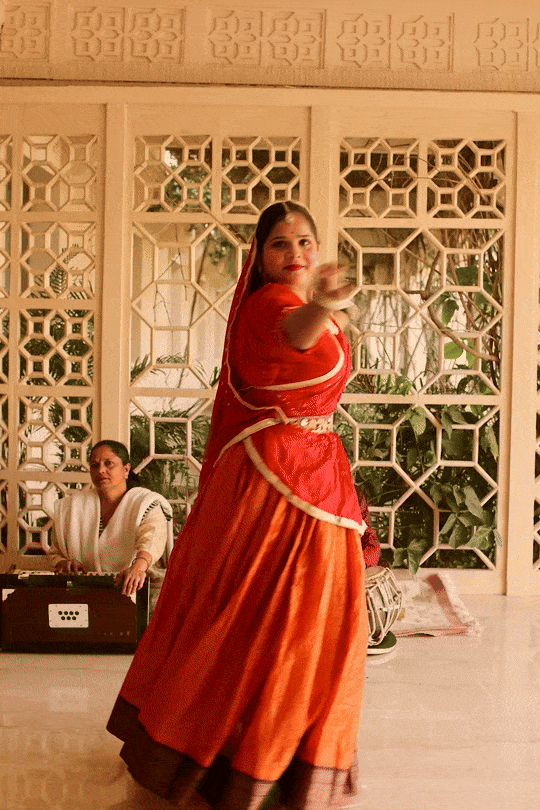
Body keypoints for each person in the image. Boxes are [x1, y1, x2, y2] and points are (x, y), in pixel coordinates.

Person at [106, 202, 380, 810]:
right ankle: (236, 759)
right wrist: (323, 304)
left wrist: (324, 303)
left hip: (311, 470)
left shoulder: (303, 302)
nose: (296, 254)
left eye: (305, 241)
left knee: (309, 624)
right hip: (272, 481)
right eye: (280, 245)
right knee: (265, 620)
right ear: (259, 256)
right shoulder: (271, 307)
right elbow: (296, 335)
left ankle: (279, 754)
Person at [48, 440, 174, 610]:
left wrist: (138, 567)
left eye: (108, 463)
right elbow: (55, 552)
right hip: (86, 595)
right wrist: (64, 563)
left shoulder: (146, 503)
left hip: (140, 593)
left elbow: (152, 538)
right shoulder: (72, 506)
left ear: (126, 469)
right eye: (94, 465)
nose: (100, 470)